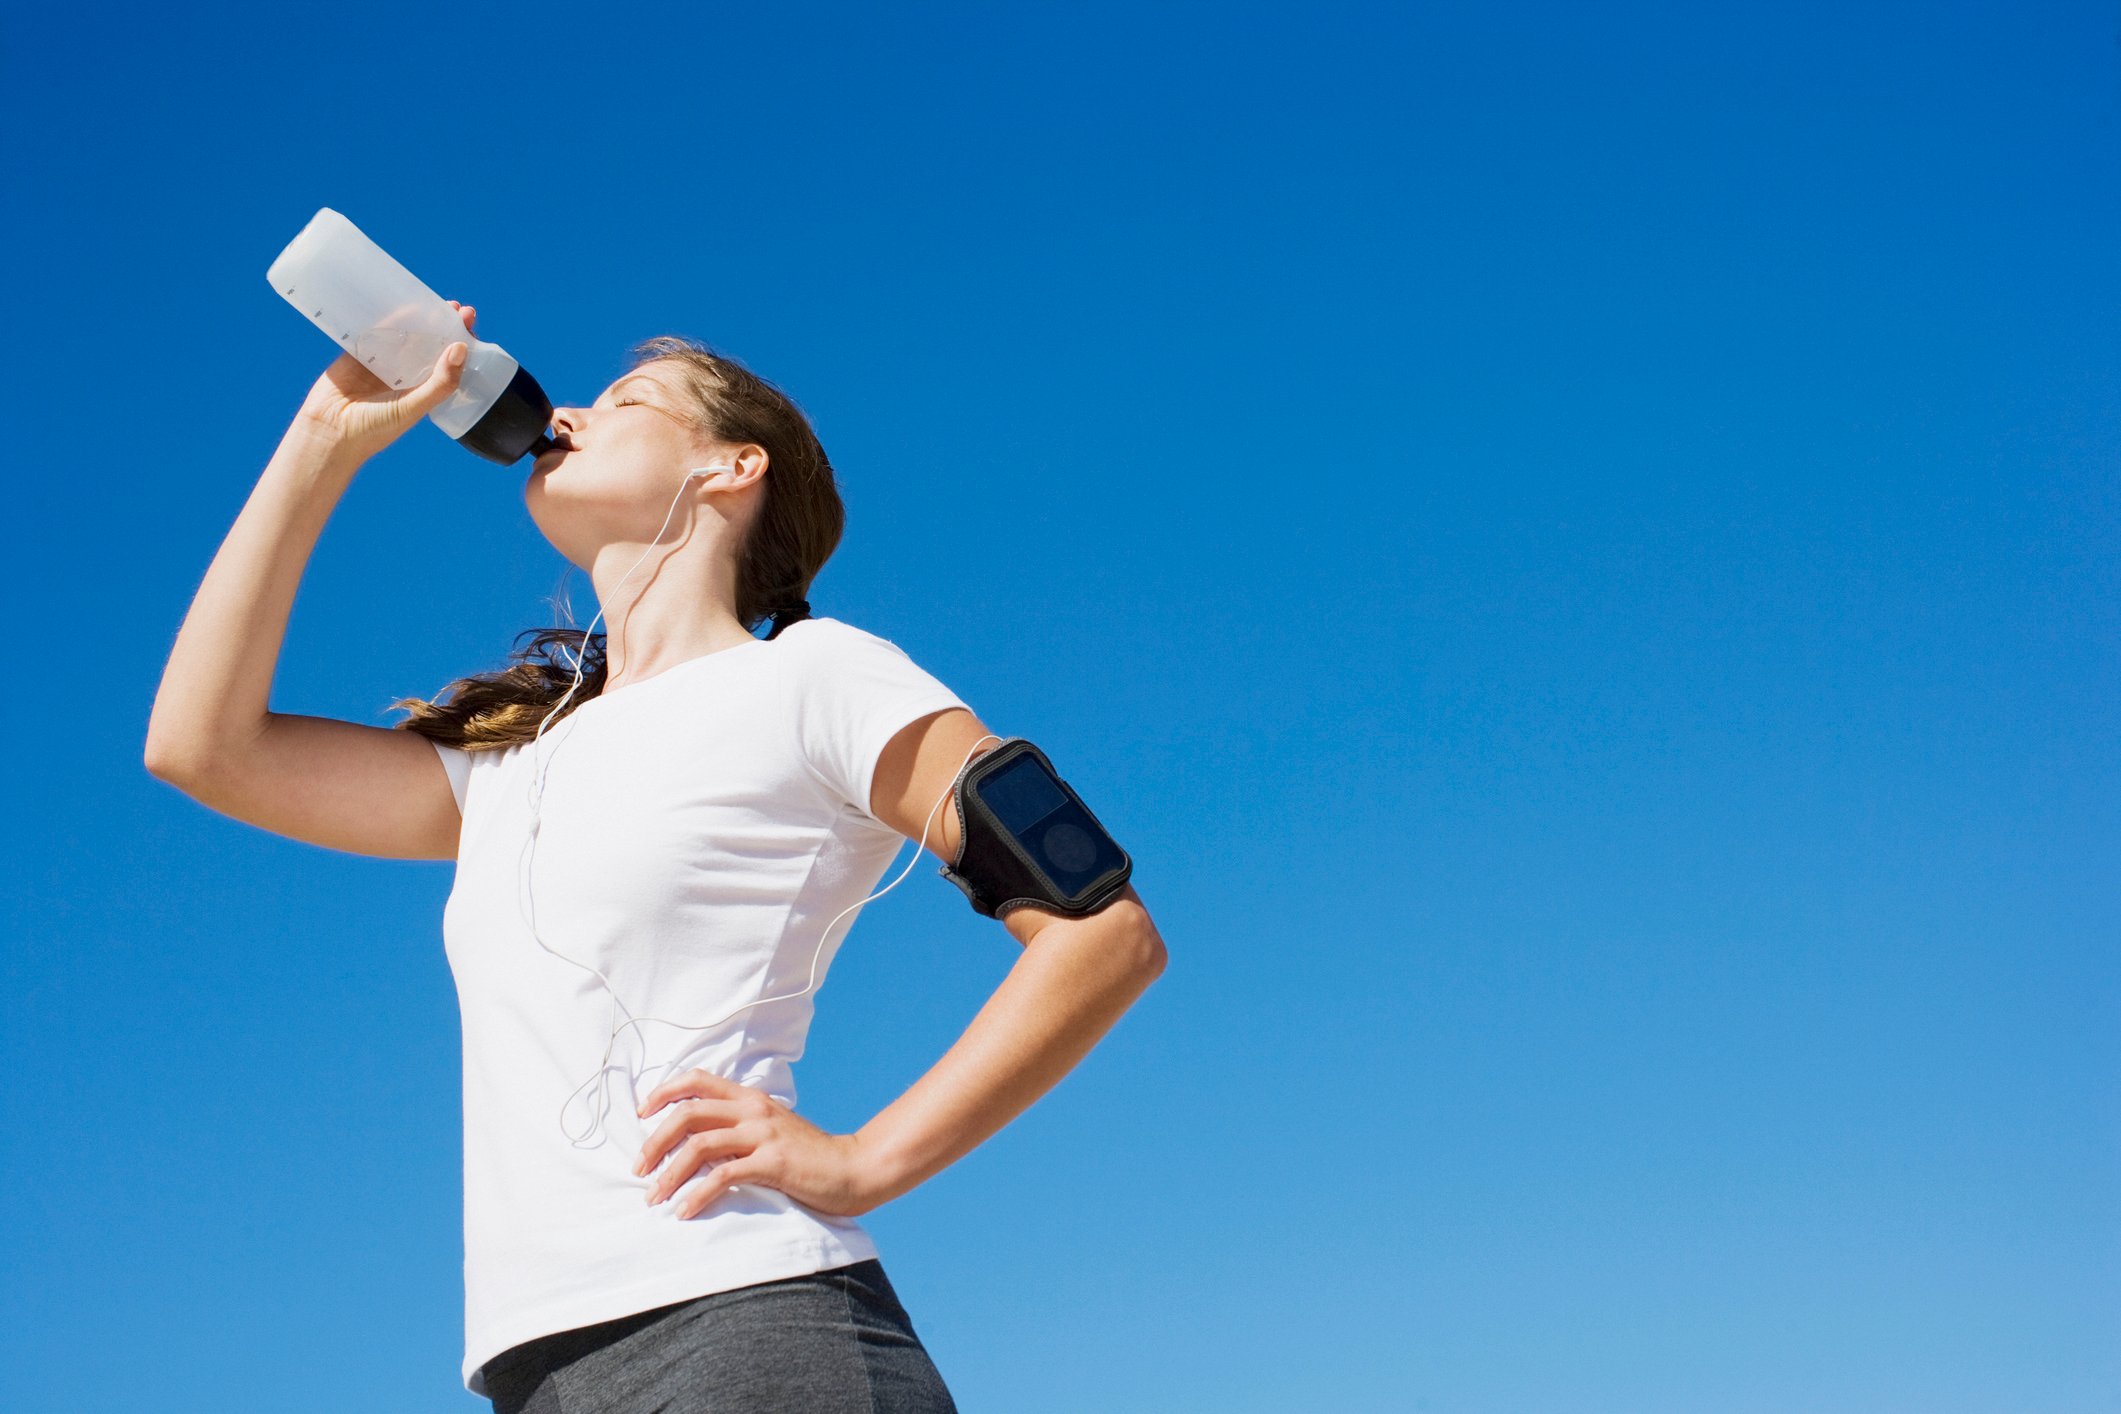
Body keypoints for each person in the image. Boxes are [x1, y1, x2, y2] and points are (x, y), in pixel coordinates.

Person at [143, 300, 1170, 1411]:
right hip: (538, 1372)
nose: (570, 413)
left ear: (734, 468)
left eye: (626, 401)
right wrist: (322, 438)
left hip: (751, 1332)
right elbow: (203, 748)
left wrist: (866, 1160)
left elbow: (1103, 929)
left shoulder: (815, 675)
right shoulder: (507, 770)